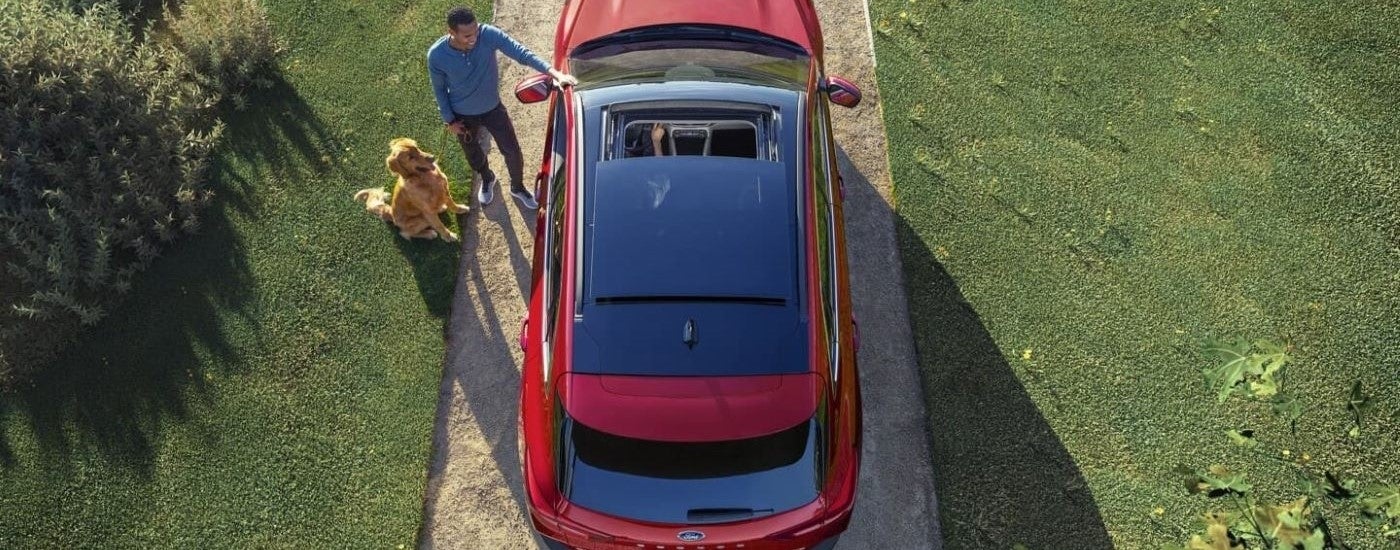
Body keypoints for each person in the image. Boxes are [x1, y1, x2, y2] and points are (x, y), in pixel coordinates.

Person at [427, 6, 577, 210]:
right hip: (462, 116)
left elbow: (521, 53)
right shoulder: (436, 56)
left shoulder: (487, 35)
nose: (475, 37)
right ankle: (488, 178)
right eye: (468, 35)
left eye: (476, 30)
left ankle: (517, 187)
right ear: (451, 32)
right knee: (473, 155)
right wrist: (450, 120)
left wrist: (555, 73)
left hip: (493, 108)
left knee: (512, 151)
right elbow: (439, 91)